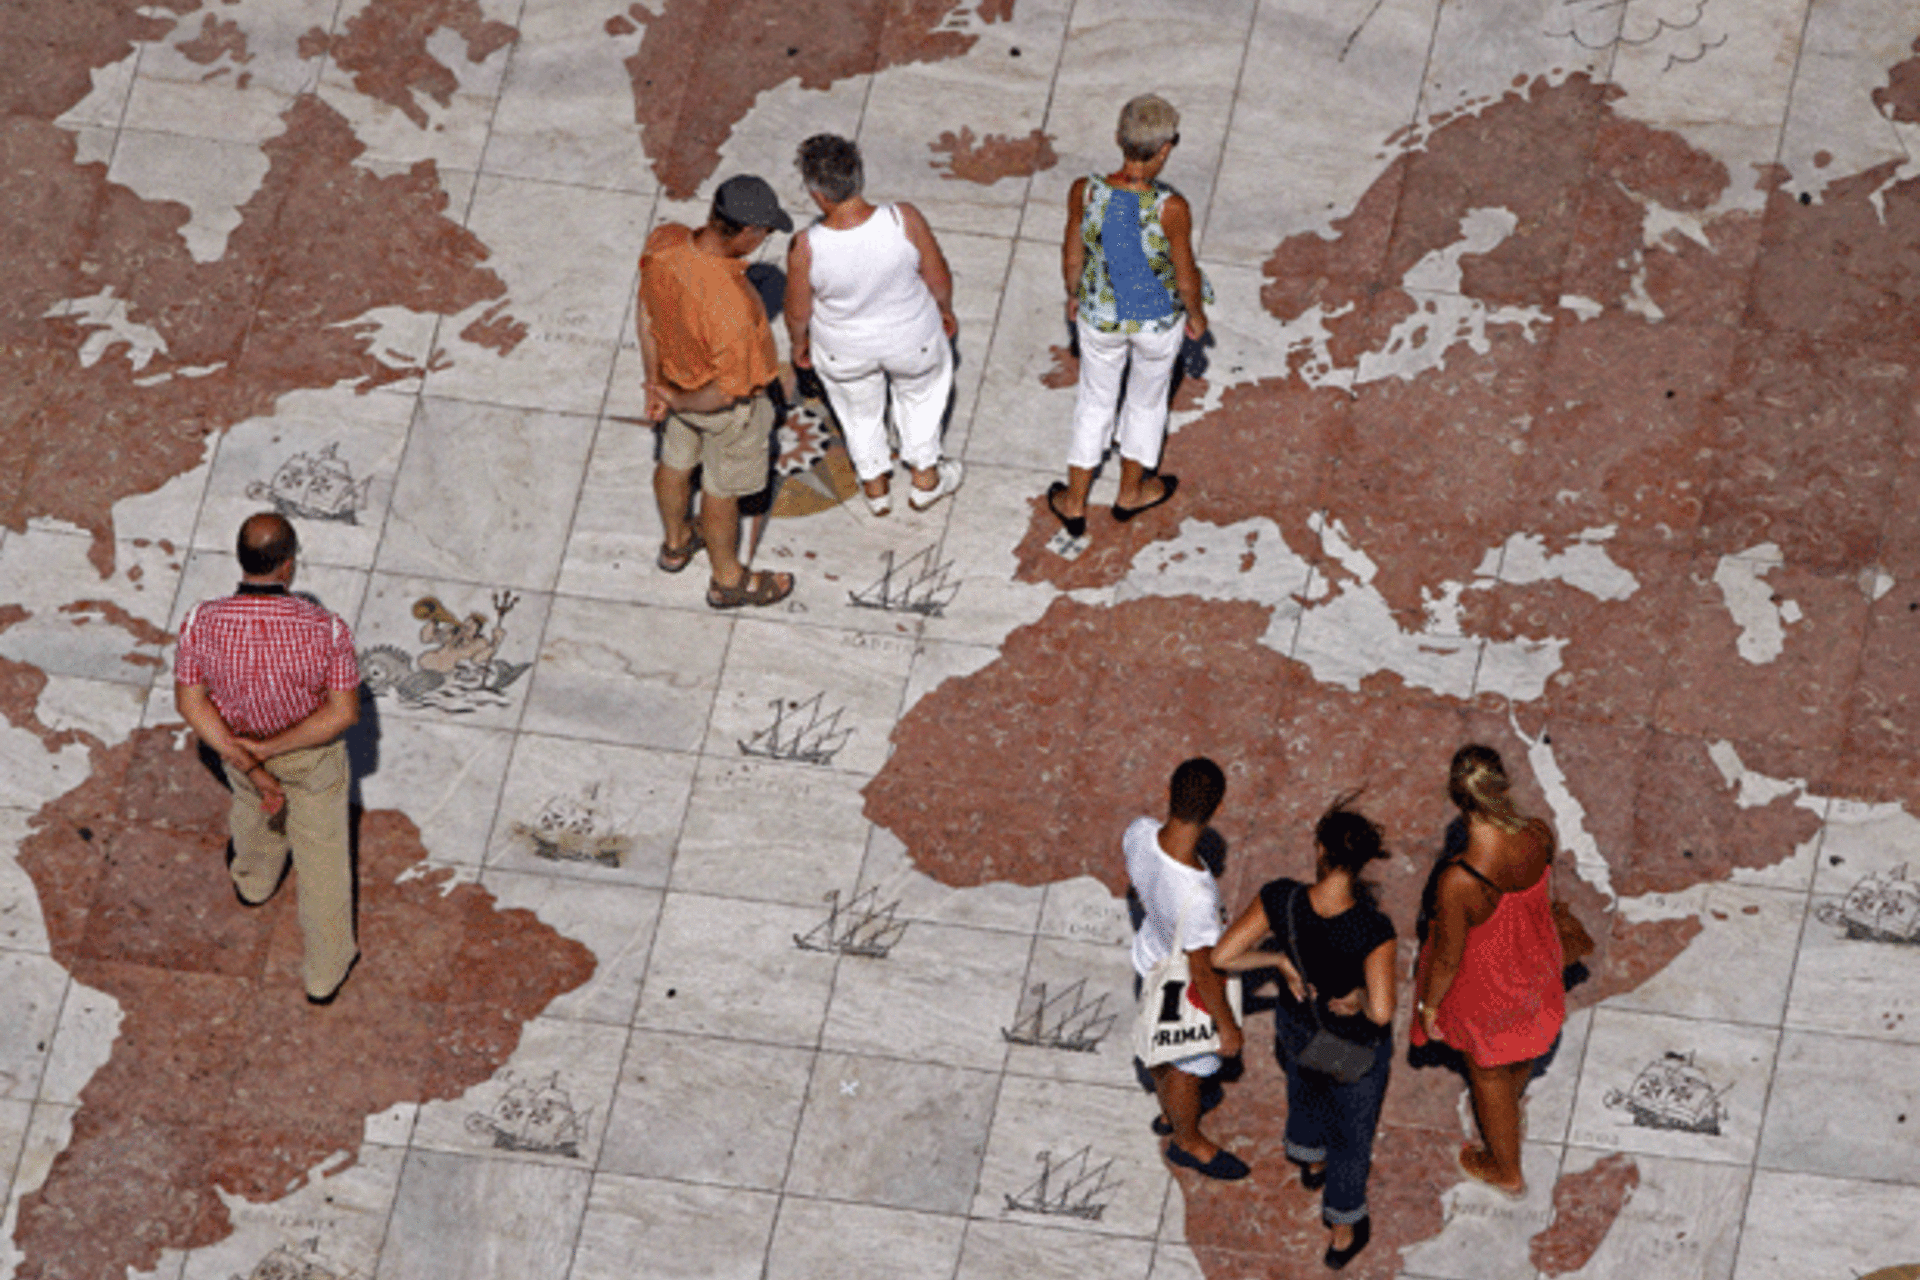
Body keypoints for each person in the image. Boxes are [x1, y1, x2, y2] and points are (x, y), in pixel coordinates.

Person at [173, 513, 362, 1004]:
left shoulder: (200, 621)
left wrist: (250, 760)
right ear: (288, 566)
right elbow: (343, 713)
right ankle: (325, 970)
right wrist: (274, 750)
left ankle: (254, 882)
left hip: (237, 747)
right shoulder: (328, 629)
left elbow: (190, 703)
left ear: (242, 560)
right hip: (309, 757)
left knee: (253, 813)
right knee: (323, 863)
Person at [1215, 798, 1397, 1270]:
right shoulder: (1373, 929)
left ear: (1319, 849)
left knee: (1304, 1093)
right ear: (1361, 865)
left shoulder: (1281, 898)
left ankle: (1309, 1161)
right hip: (1353, 1050)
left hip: (1299, 1030)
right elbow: (1381, 1013)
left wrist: (1276, 959)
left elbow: (1224, 957)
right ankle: (1341, 1230)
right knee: (1353, 1140)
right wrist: (1356, 996)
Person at [1046, 93, 1210, 539]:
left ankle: (1074, 501)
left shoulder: (1086, 190)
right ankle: (1131, 493)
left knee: (1095, 401)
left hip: (1099, 317)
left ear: (1118, 137)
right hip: (1157, 323)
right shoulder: (1170, 208)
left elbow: (1073, 250)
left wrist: (1074, 293)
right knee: (1146, 401)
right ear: (1165, 148)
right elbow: (1185, 273)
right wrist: (1195, 315)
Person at [1411, 745, 1567, 1198]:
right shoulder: (1537, 834)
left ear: (1458, 799)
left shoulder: (1460, 880)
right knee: (1520, 1049)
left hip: (1486, 986)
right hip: (1533, 963)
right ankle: (1508, 1115)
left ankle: (1503, 1167)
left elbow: (1447, 957)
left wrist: (1429, 1007)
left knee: (1488, 1072)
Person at [639, 173, 797, 608]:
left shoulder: (664, 242)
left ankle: (675, 545)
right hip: (721, 410)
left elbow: (647, 313)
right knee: (720, 491)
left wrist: (657, 384)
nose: (763, 239)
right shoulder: (733, 310)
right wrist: (679, 399)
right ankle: (728, 580)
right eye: (764, 232)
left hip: (674, 383)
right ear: (746, 233)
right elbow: (726, 394)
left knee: (674, 464)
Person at [785, 134, 963, 516]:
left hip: (843, 349)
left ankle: (876, 489)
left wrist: (798, 345)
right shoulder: (904, 219)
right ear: (858, 176)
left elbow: (799, 312)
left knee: (858, 414)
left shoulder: (806, 246)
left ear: (817, 194)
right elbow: (937, 275)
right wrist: (945, 310)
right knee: (921, 400)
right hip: (912, 338)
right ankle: (926, 481)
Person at [1126, 757, 1248, 1180]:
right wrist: (1226, 1026)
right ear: (1216, 808)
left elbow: (1146, 891)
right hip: (1179, 988)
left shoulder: (1138, 834)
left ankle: (1172, 1112)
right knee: (1184, 1067)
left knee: (1168, 1061)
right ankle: (1186, 1141)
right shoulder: (1196, 894)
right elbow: (1203, 969)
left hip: (1149, 958)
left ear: (1168, 793)